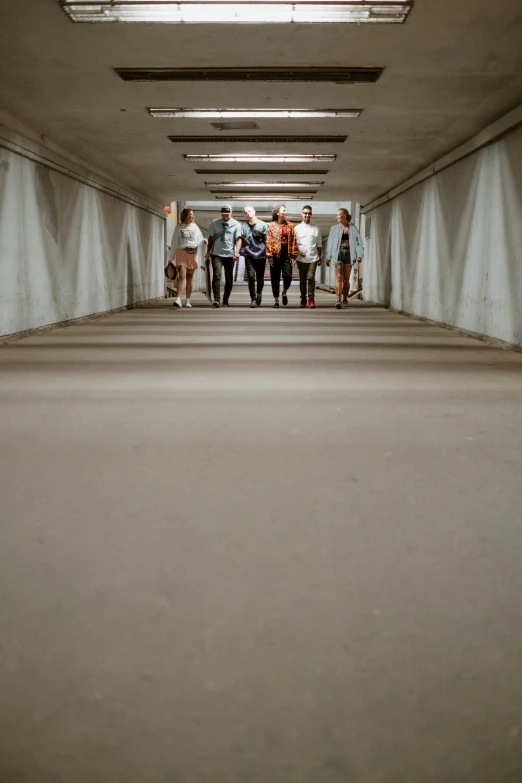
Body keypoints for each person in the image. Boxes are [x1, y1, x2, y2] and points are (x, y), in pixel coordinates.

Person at [325, 208, 364, 309]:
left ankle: (345, 298)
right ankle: (338, 299)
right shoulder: (334, 229)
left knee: (346, 279)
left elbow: (359, 243)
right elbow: (330, 243)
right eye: (337, 215)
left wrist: (359, 255)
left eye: (339, 214)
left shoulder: (353, 229)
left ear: (345, 215)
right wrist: (328, 257)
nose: (337, 216)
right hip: (337, 253)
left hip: (349, 254)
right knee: (339, 277)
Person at [169, 209, 206, 308]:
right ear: (185, 216)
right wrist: (171, 258)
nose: (192, 217)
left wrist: (204, 242)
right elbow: (174, 242)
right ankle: (178, 299)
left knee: (189, 277)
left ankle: (188, 300)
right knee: (182, 275)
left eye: (193, 215)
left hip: (193, 253)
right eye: (190, 215)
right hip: (181, 252)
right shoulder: (179, 227)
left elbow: (199, 240)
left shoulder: (195, 227)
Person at [206, 204, 242, 308]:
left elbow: (238, 239)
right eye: (223, 215)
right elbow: (211, 239)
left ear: (231, 213)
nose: (225, 217)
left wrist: (236, 252)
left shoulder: (236, 224)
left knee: (229, 278)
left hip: (230, 255)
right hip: (216, 254)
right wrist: (208, 251)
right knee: (216, 276)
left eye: (227, 215)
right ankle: (217, 299)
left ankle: (225, 299)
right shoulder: (214, 223)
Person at [266, 204, 298, 308]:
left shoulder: (290, 225)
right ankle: (276, 300)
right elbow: (268, 241)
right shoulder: (271, 226)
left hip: (286, 253)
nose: (285, 212)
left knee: (288, 276)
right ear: (277, 213)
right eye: (283, 211)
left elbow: (293, 240)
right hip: (275, 255)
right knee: (275, 278)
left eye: (285, 210)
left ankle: (284, 292)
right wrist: (269, 256)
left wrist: (293, 255)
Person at [294, 204, 322, 309]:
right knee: (302, 279)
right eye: (305, 213)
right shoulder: (297, 228)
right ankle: (303, 298)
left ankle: (311, 298)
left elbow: (319, 244)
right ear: (302, 214)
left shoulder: (316, 229)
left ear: (311, 214)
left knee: (310, 277)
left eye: (309, 213)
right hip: (301, 259)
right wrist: (297, 252)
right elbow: (294, 243)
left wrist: (320, 257)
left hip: (313, 258)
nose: (307, 215)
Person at [241, 205, 268, 308]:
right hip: (249, 255)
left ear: (254, 212)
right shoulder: (243, 226)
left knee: (260, 278)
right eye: (245, 212)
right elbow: (241, 240)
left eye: (249, 211)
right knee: (251, 277)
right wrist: (244, 252)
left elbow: (267, 240)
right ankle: (253, 299)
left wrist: (266, 253)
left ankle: (259, 294)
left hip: (261, 255)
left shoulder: (263, 225)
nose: (248, 213)